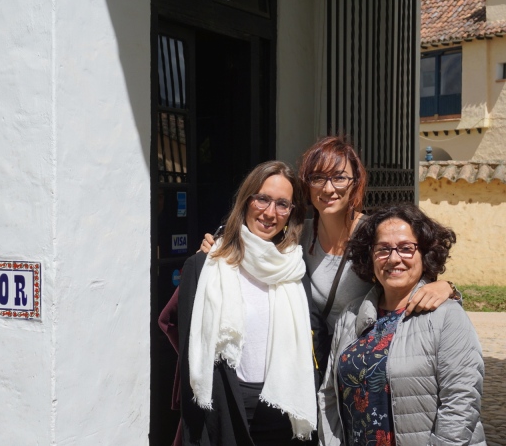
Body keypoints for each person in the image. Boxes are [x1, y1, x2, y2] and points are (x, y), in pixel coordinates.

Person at [201, 137, 461, 372]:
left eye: (339, 177)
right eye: (318, 178)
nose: (328, 189)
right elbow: (254, 246)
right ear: (307, 184)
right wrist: (218, 245)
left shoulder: (375, 236)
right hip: (311, 362)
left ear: (355, 183)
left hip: (364, 363)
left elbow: (414, 274)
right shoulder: (296, 235)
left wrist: (446, 287)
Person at [318, 203, 486, 446]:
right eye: (383, 249)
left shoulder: (446, 316)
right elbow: (329, 395)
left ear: (425, 254)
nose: (394, 258)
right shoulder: (351, 316)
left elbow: (461, 402)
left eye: (406, 248)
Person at [177, 160, 320, 446]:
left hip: (283, 409)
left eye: (282, 204)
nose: (270, 212)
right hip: (227, 407)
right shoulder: (203, 267)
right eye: (263, 199)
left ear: (291, 213)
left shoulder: (295, 269)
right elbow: (187, 356)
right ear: (246, 200)